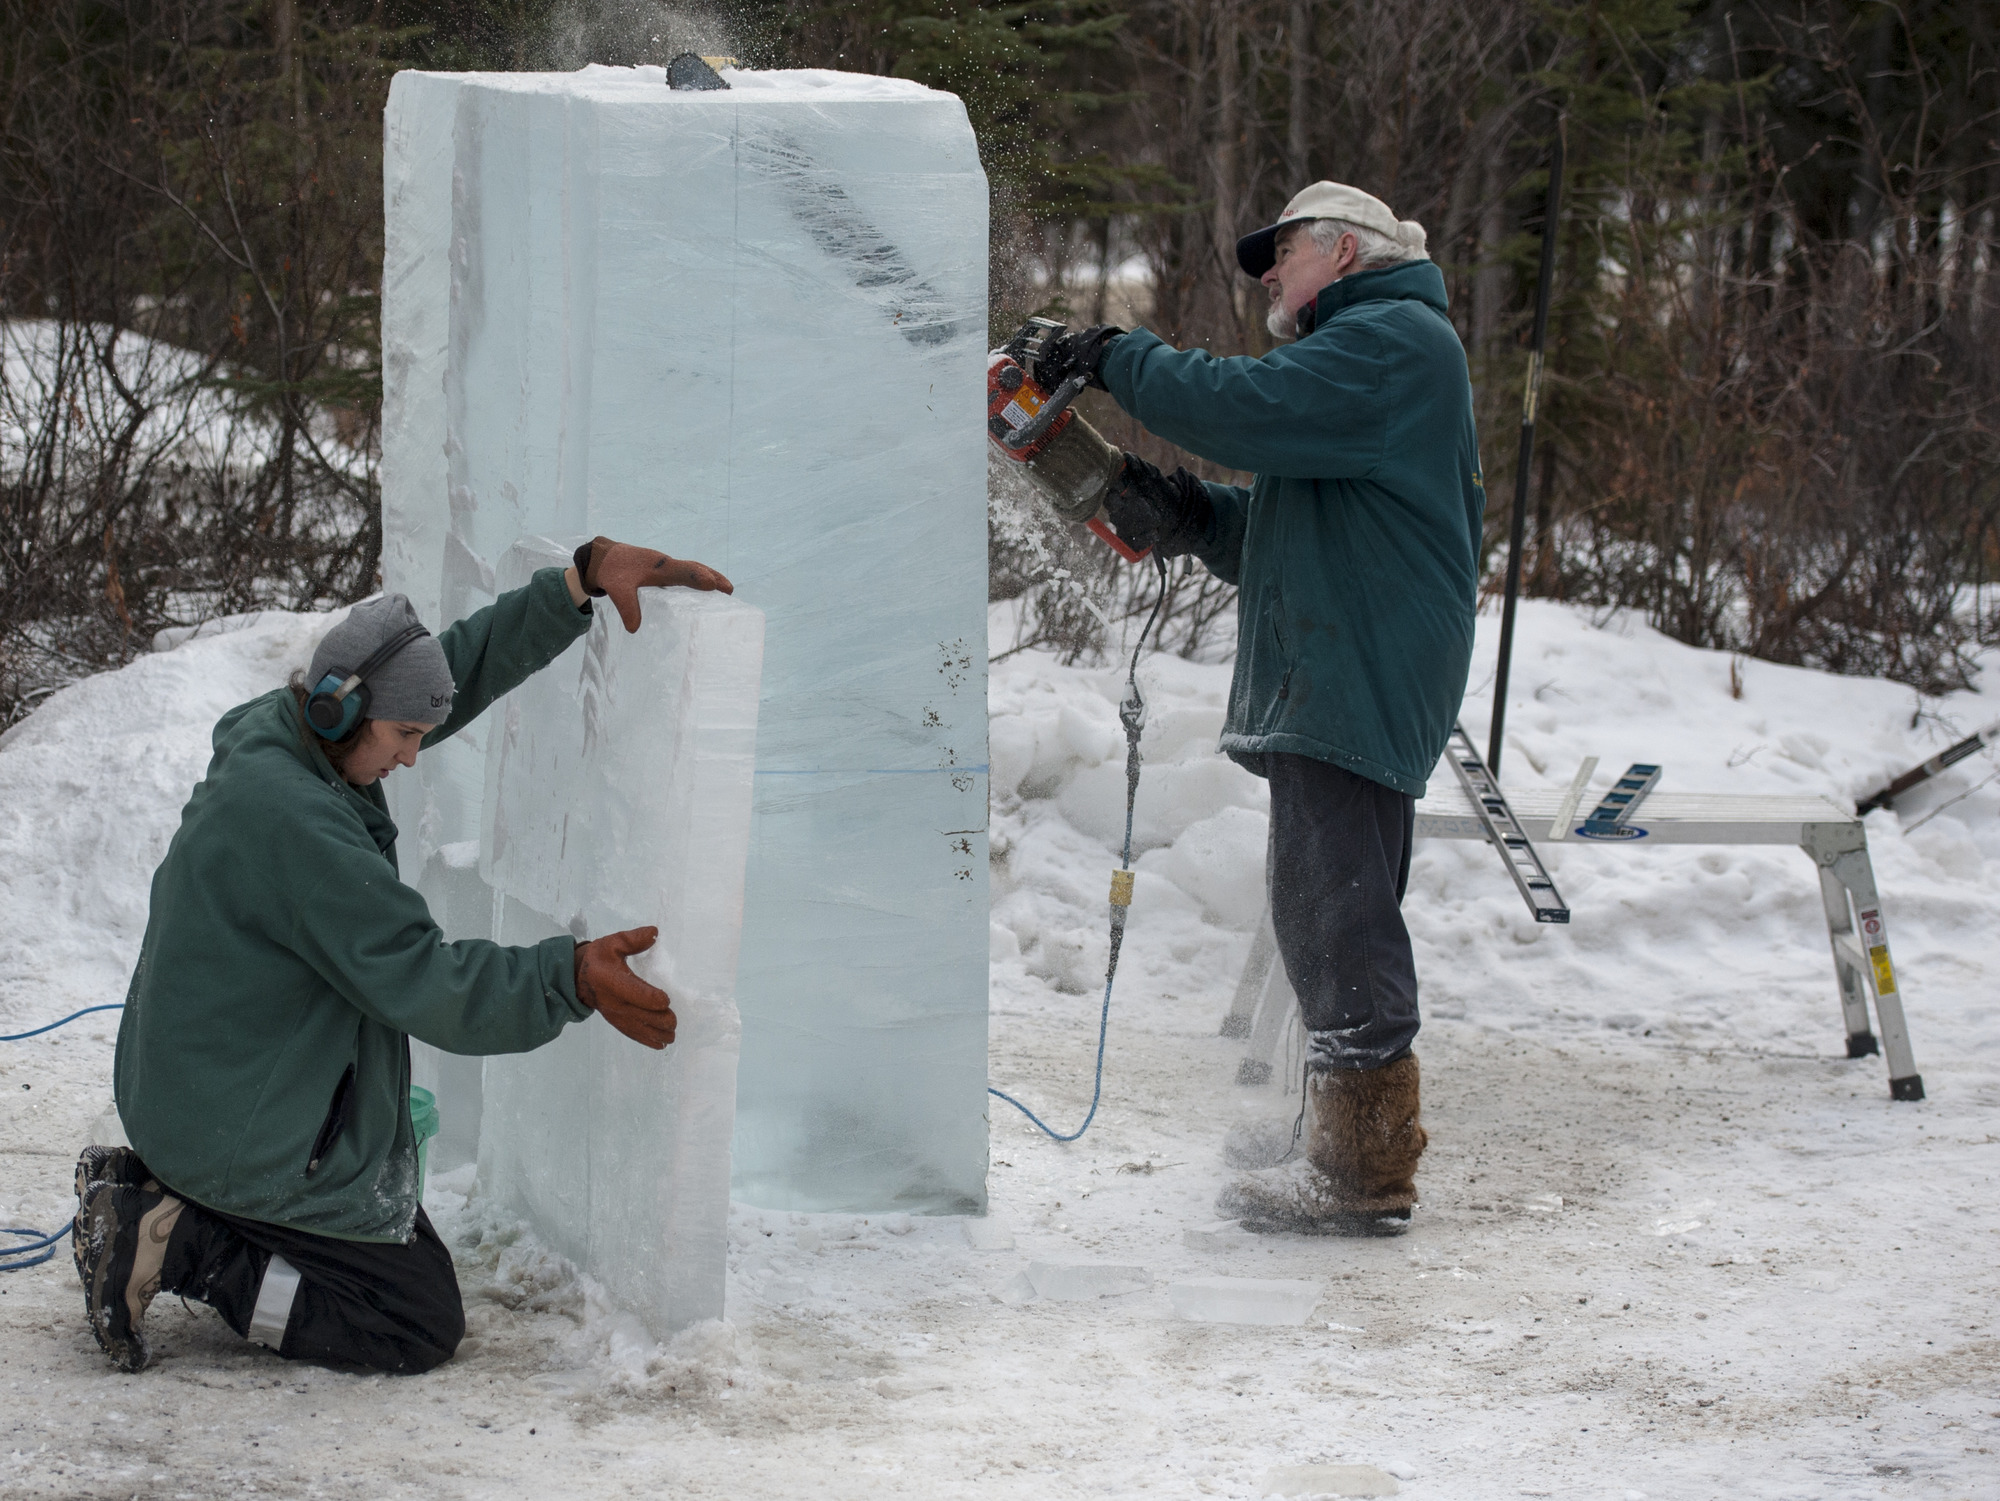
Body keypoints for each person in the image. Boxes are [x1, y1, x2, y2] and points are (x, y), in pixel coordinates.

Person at [74, 537, 732, 1373]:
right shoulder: (301, 832)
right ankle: (180, 1244)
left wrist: (579, 581)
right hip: (233, 1127)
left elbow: (436, 677)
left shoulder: (282, 736)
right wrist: (568, 977)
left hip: (203, 1090)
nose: (415, 754)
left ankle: (160, 1195)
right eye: (405, 735)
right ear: (338, 711)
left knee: (390, 1230)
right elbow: (429, 982)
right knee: (411, 1320)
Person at [1030, 182, 1483, 1235]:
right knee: (1318, 910)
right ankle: (1332, 1144)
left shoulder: (1391, 343)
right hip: (1346, 665)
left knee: (1339, 918)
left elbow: (1241, 409)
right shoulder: (1367, 363)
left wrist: (1107, 353)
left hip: (1356, 671)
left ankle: (1361, 1175)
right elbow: (1285, 527)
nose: (1267, 276)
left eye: (1277, 254)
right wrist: (1183, 511)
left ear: (1340, 247)